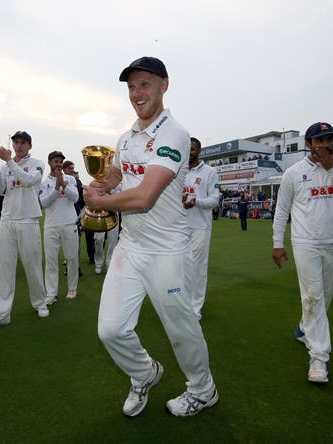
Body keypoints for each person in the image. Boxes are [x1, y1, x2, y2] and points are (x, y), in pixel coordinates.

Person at [84, 57, 217, 417]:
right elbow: (116, 174)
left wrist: (103, 202)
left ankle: (203, 390)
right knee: (110, 330)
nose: (137, 93)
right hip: (131, 246)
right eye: (131, 86)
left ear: (164, 85)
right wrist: (99, 185)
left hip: (168, 251)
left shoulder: (174, 132)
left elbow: (144, 196)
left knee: (181, 328)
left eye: (145, 84)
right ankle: (144, 373)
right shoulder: (126, 138)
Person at [272, 122, 333, 384]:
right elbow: (282, 211)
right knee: (313, 295)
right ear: (308, 144)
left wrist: (332, 169)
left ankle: (304, 329)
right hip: (305, 242)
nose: (325, 144)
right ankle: (319, 357)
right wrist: (278, 244)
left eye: (329, 139)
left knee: (324, 296)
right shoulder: (293, 173)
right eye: (319, 140)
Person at [0, 131, 50, 325]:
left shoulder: (37, 163)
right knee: (4, 268)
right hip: (7, 220)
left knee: (33, 265)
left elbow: (28, 181)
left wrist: (9, 162)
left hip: (28, 219)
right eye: (16, 142)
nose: (19, 146)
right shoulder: (5, 166)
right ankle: (2, 312)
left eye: (23, 143)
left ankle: (40, 303)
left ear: (30, 146)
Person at [182, 137, 220, 319]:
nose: (189, 152)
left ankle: (195, 308)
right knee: (181, 267)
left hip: (200, 227)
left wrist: (196, 202)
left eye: (193, 149)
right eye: (186, 148)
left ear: (199, 150)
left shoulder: (209, 172)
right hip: (179, 226)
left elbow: (214, 200)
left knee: (197, 268)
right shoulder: (178, 170)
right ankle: (182, 303)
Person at [40, 150, 79, 303]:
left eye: (60, 162)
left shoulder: (70, 179)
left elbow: (75, 198)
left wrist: (64, 185)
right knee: (51, 261)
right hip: (51, 225)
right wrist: (56, 189)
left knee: (72, 258)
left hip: (69, 223)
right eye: (55, 161)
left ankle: (72, 289)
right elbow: (44, 203)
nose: (58, 164)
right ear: (50, 162)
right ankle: (51, 293)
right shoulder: (44, 183)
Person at [93, 184, 121, 275]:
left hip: (113, 213)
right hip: (100, 213)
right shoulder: (99, 182)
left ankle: (109, 263)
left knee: (113, 240)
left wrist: (110, 191)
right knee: (98, 239)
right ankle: (98, 263)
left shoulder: (119, 183)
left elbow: (120, 198)